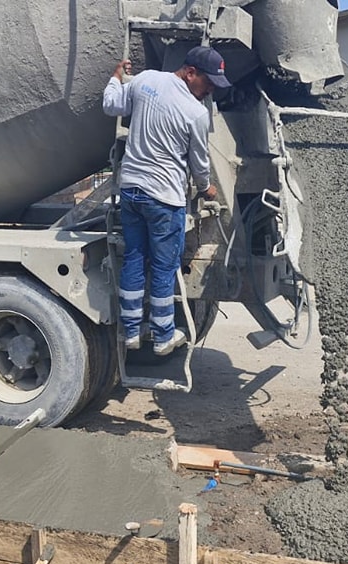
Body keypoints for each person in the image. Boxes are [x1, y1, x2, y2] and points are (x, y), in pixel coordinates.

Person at [102, 45, 229, 356]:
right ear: (190, 73)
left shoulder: (146, 80)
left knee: (134, 258)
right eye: (209, 82)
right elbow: (199, 162)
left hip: (131, 190)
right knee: (163, 267)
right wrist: (206, 189)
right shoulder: (196, 113)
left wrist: (115, 79)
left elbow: (111, 105)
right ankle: (162, 336)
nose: (211, 90)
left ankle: (131, 332)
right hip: (163, 198)